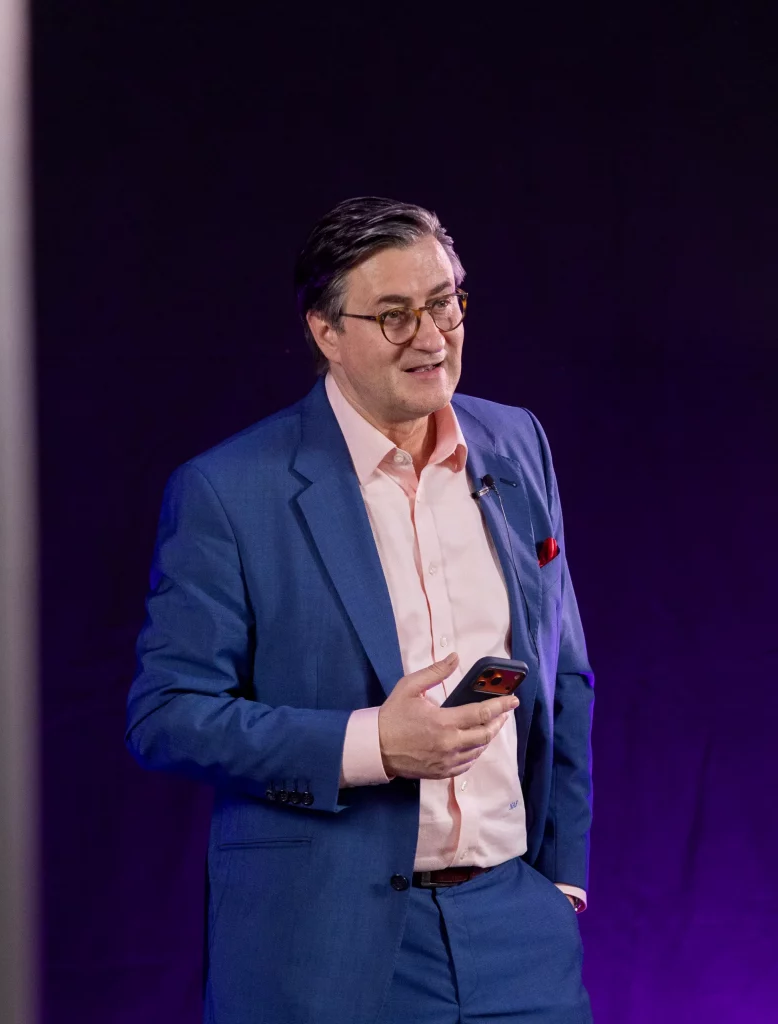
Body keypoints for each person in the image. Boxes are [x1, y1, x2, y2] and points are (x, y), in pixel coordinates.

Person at [126, 196, 595, 1024]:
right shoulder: (230, 491)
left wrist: (558, 878)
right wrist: (373, 743)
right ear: (325, 332)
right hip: (325, 946)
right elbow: (167, 717)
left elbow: (566, 671)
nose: (431, 335)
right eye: (394, 315)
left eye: (444, 301)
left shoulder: (518, 443)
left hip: (516, 929)